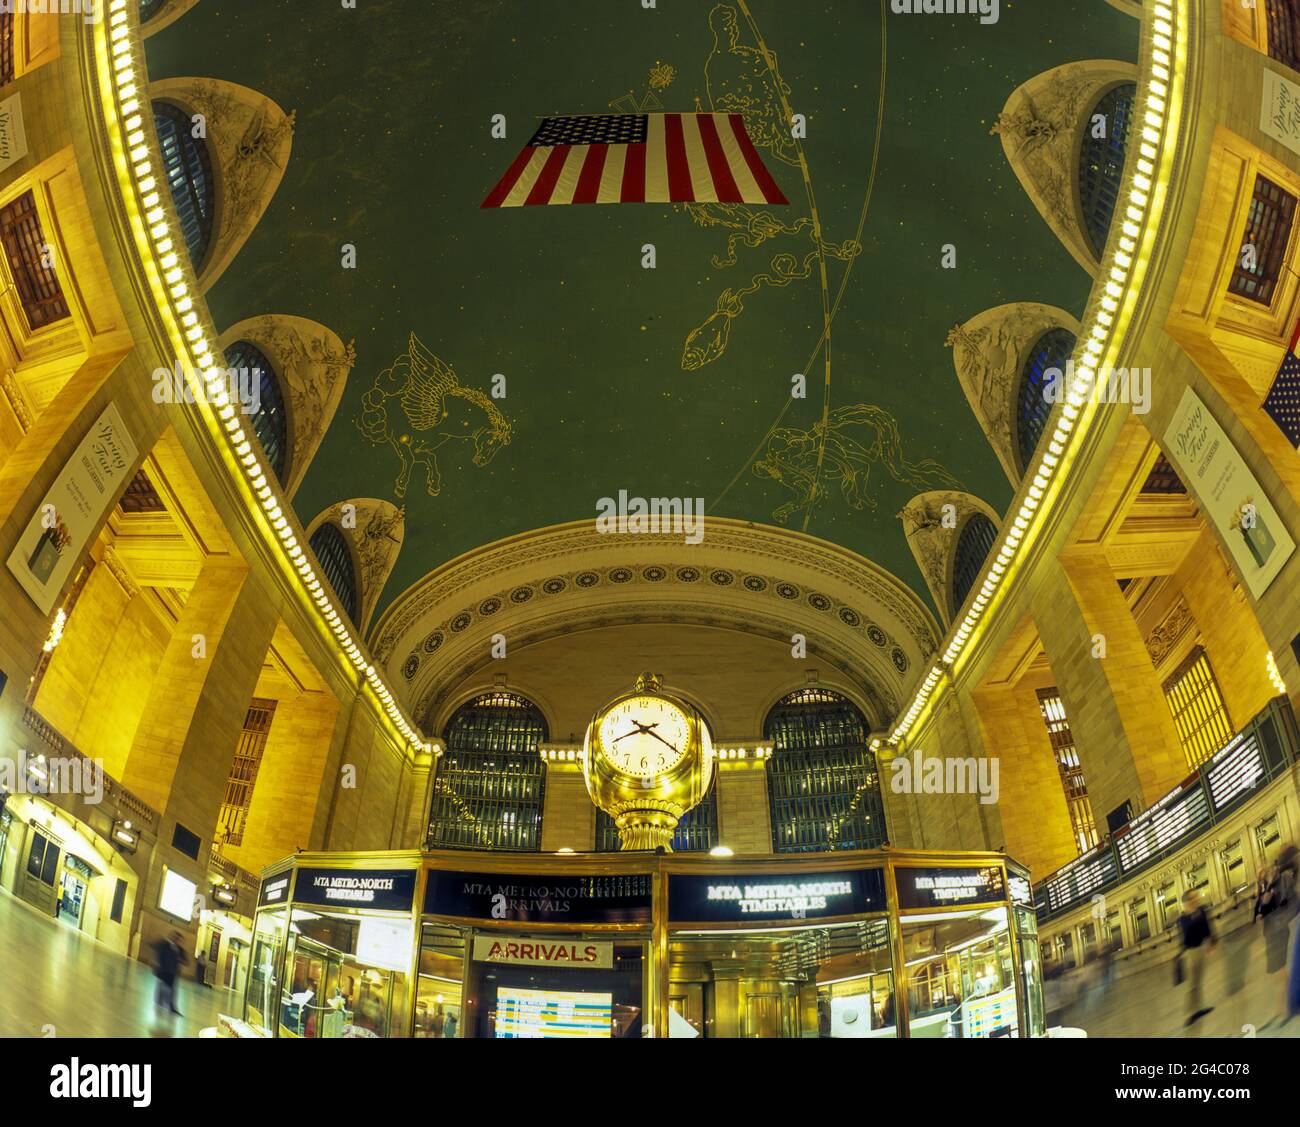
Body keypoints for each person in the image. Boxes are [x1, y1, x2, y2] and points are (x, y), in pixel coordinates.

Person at [1177, 889, 1215, 1026]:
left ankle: (1199, 1009)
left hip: (1201, 948)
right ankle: (1190, 1013)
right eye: (1193, 898)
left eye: (1197, 897)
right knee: (1191, 985)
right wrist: (1193, 915)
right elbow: (1186, 934)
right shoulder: (1183, 918)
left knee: (1199, 981)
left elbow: (1207, 927)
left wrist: (1211, 941)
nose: (1197, 899)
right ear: (1187, 901)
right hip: (1190, 952)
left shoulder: (1201, 911)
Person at [151, 930, 187, 1016]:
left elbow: (186, 962)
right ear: (171, 937)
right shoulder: (164, 944)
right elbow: (154, 948)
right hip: (163, 970)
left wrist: (180, 959)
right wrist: (156, 963)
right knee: (162, 988)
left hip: (173, 972)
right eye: (175, 937)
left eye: (178, 939)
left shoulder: (180, 950)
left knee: (172, 990)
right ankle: (159, 1004)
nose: (176, 940)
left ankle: (172, 1007)